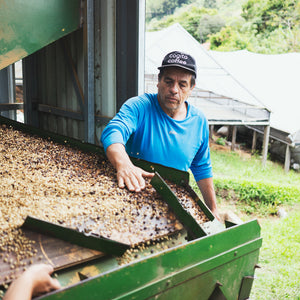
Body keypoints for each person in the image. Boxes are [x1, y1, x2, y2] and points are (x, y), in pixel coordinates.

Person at [101, 50, 220, 220]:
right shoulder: (139, 106)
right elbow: (113, 133)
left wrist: (213, 210)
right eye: (168, 81)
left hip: (172, 205)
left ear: (191, 88)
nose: (174, 90)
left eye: (182, 84)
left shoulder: (198, 121)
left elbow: (201, 167)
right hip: (131, 192)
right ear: (158, 82)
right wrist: (125, 165)